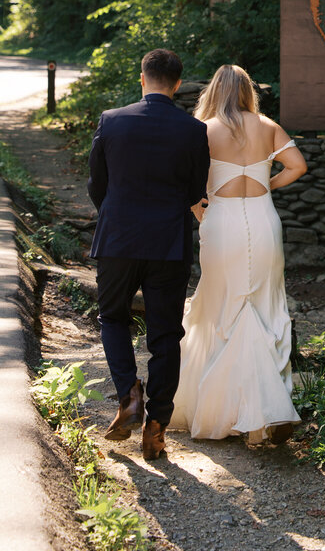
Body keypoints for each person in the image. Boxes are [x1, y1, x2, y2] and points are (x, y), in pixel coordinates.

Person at [171, 64, 307, 447]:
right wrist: (267, 185)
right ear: (248, 91)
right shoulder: (268, 126)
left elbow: (184, 181)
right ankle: (264, 413)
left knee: (221, 303)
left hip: (222, 221)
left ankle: (221, 410)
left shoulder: (205, 130)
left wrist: (201, 209)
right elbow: (298, 166)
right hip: (263, 219)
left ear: (214, 91)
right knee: (263, 305)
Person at [88, 48, 210, 461]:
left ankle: (129, 394)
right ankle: (157, 426)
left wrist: (116, 214)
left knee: (112, 317)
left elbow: (96, 185)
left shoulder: (112, 120)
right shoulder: (193, 130)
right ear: (177, 84)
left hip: (118, 239)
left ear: (142, 79)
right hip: (168, 244)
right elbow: (197, 192)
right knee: (165, 335)